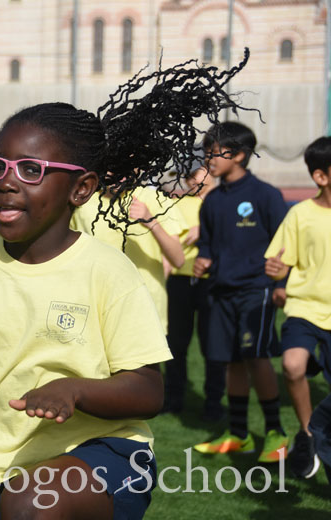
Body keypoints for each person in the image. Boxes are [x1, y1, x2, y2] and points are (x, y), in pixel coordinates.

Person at [0, 53, 251, 519]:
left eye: (31, 170)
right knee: (23, 503)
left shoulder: (107, 269)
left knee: (32, 504)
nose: (6, 183)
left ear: (81, 188)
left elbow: (149, 391)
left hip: (107, 453)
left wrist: (75, 389)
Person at [192, 121, 289, 463]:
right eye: (207, 152)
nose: (209, 159)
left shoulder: (266, 195)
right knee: (231, 362)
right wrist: (203, 260)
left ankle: (276, 433)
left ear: (240, 156)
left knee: (255, 357)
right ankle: (239, 435)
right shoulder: (212, 201)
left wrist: (280, 286)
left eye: (215, 152)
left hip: (255, 291)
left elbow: (283, 245)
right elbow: (206, 244)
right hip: (221, 291)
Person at [264, 136, 331, 479]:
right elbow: (280, 261)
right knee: (292, 366)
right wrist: (277, 274)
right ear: (321, 177)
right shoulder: (300, 215)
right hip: (303, 308)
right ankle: (307, 435)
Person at [71, 166, 187, 332]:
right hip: (96, 306)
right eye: (113, 166)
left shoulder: (153, 198)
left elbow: (178, 260)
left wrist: (150, 221)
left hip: (144, 309)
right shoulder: (84, 202)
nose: (119, 175)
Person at [163, 166, 226, 420]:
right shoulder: (177, 204)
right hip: (180, 280)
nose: (194, 180)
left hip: (212, 282)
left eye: (199, 173)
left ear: (211, 174)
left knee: (213, 345)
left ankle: (213, 402)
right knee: (176, 343)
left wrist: (204, 230)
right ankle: (174, 397)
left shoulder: (223, 201)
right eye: (190, 176)